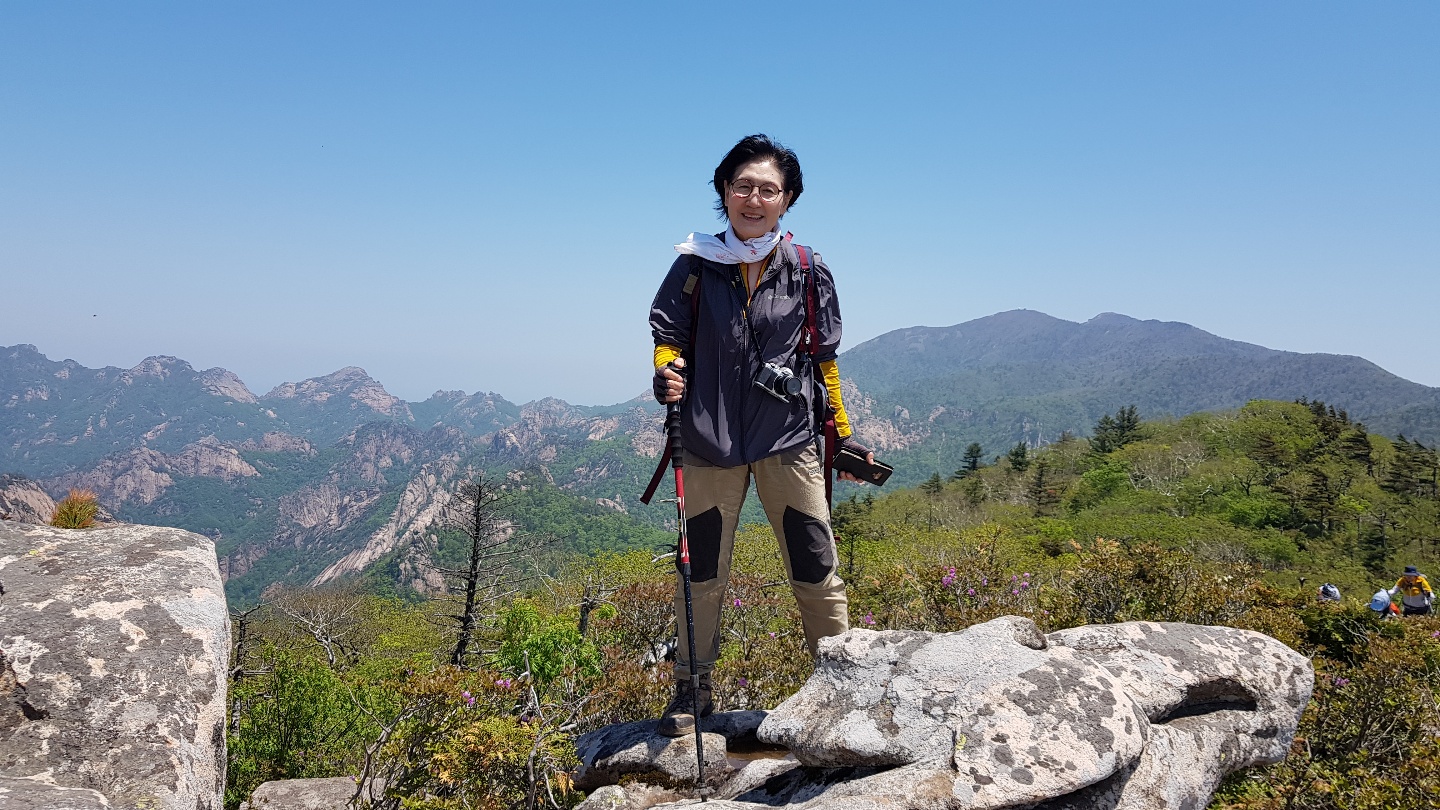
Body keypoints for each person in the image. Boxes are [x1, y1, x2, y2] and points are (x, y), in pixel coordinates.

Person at [648, 134, 874, 737]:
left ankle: (841, 683)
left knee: (815, 563)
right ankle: (692, 689)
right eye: (742, 186)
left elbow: (823, 360)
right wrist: (666, 372)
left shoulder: (805, 268)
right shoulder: (695, 264)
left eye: (768, 190)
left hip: (788, 437)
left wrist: (842, 435)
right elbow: (668, 336)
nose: (754, 199)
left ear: (787, 199)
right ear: (724, 192)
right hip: (708, 437)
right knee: (700, 573)